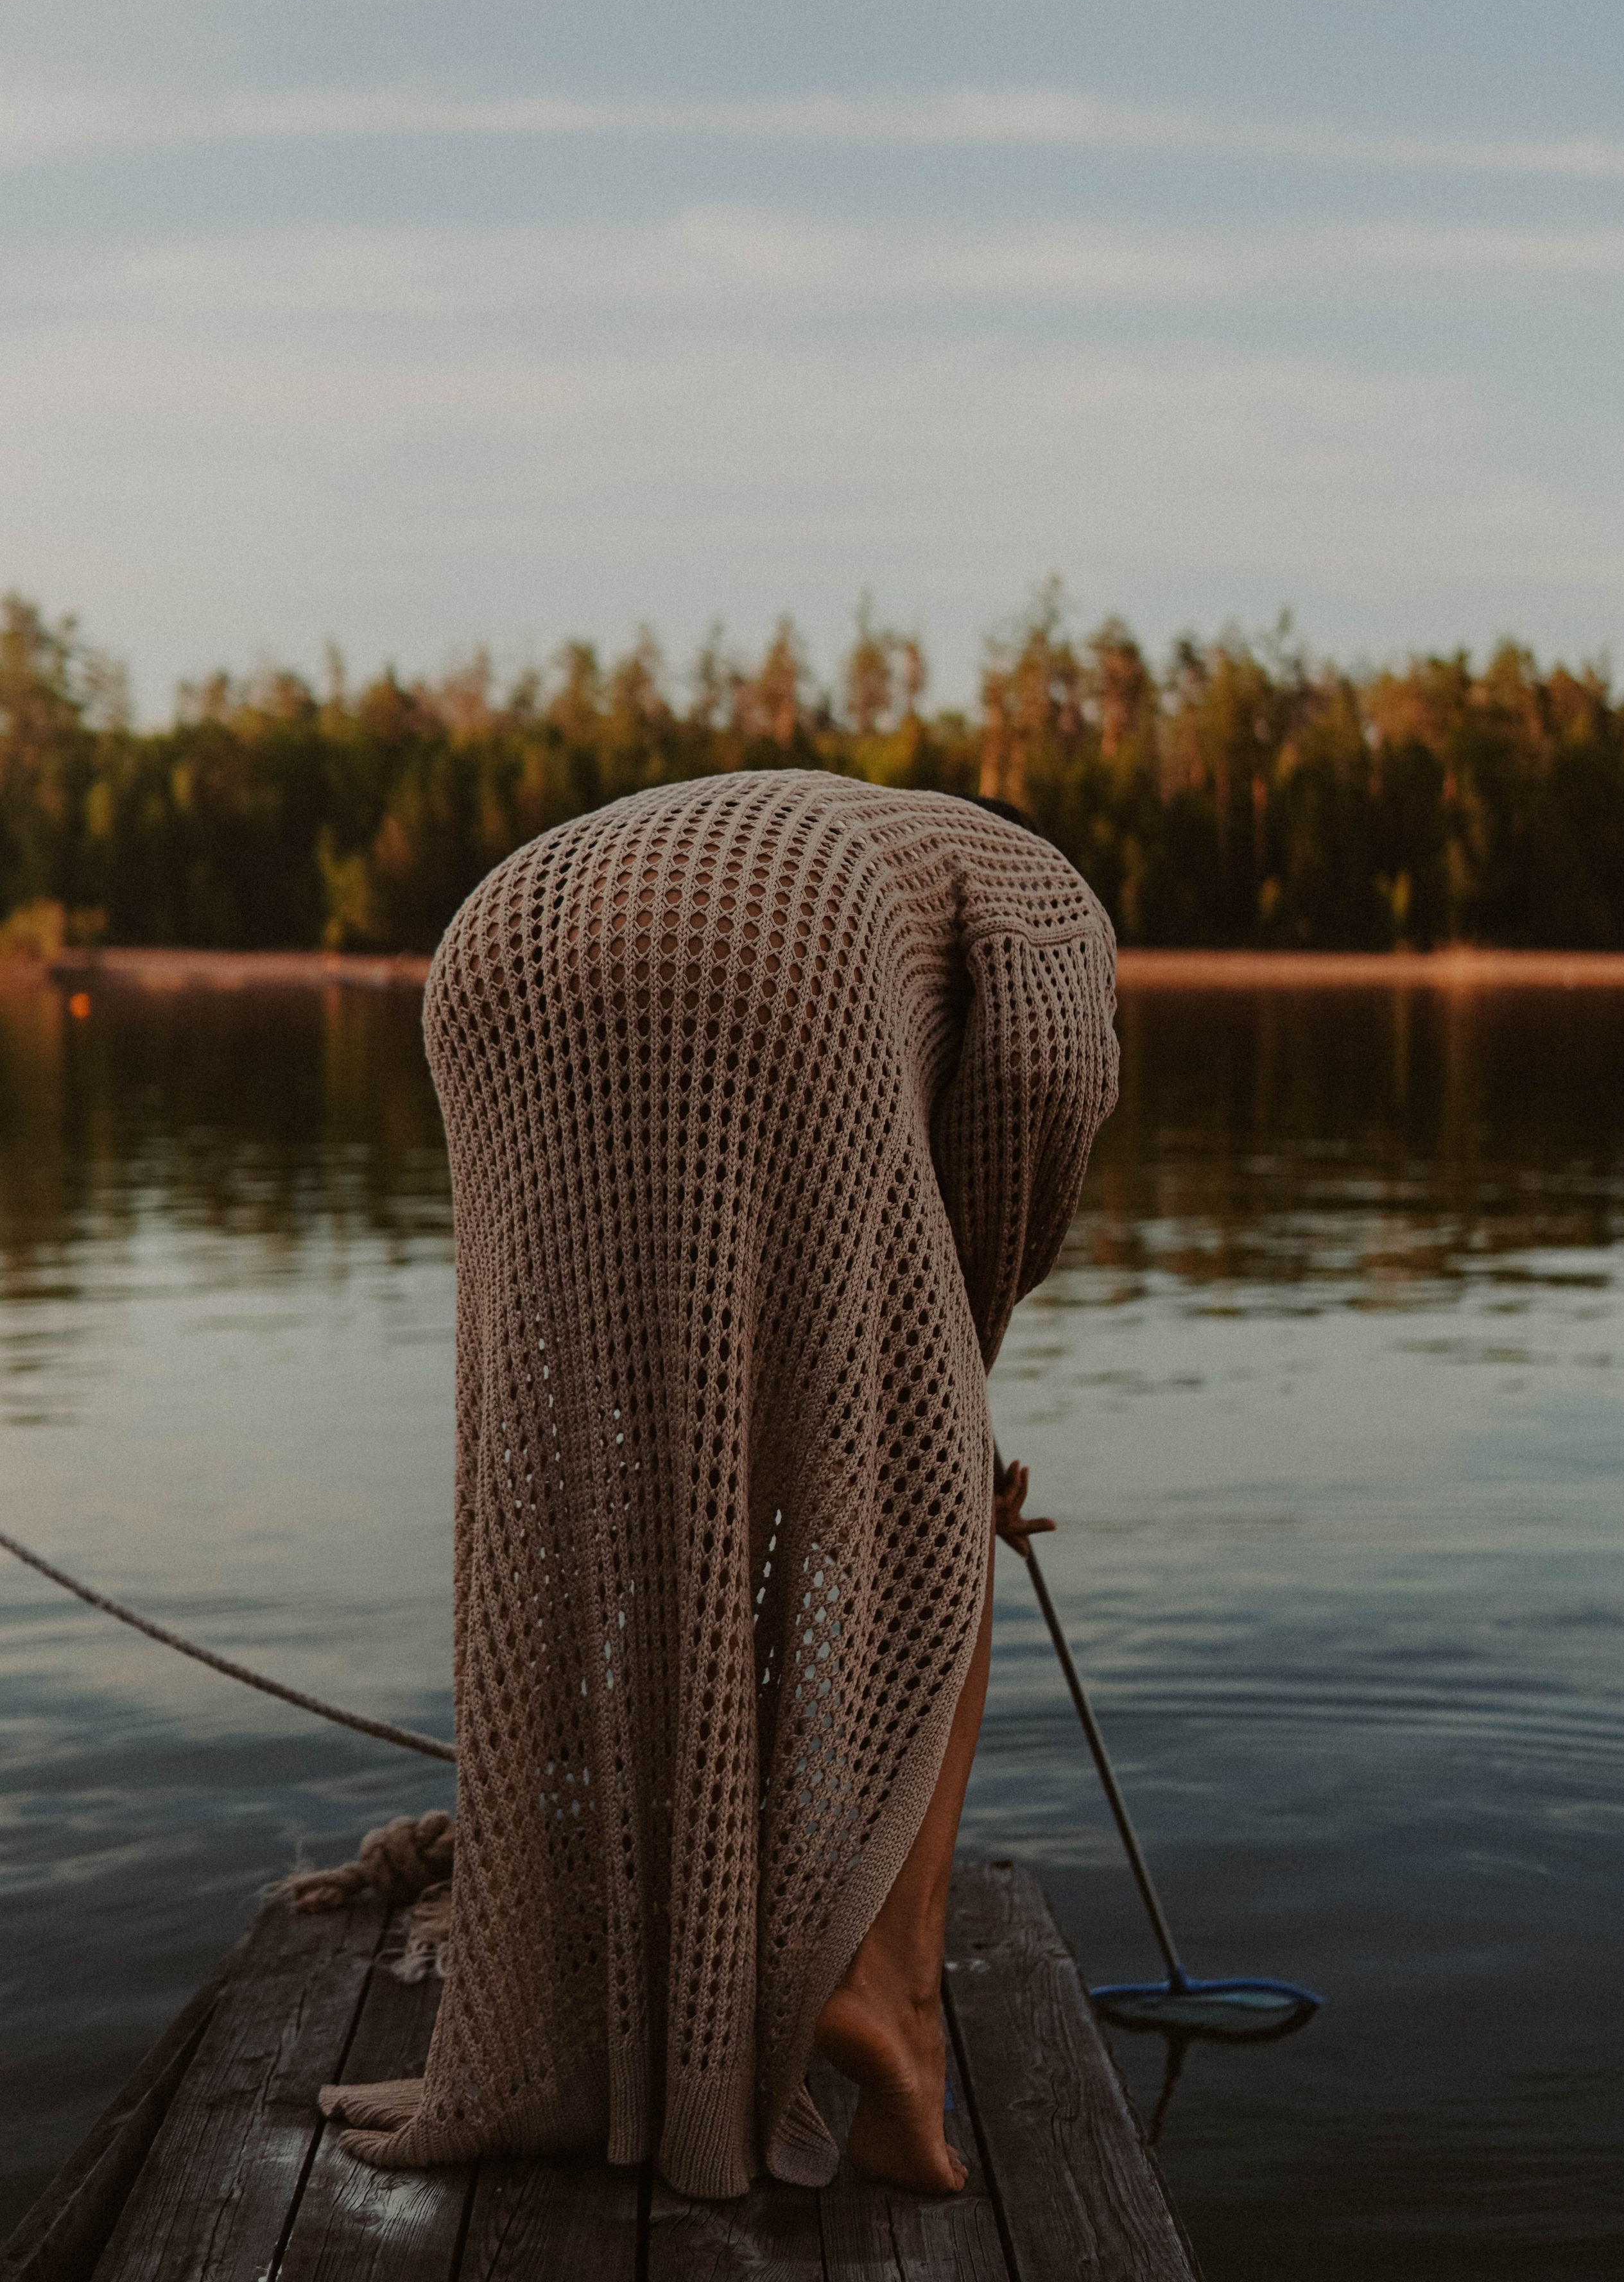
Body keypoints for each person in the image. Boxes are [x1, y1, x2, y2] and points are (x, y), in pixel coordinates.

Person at [316, 769, 1118, 2198]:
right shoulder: (1058, 910)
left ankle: (613, 1997)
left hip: (496, 940)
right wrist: (962, 1405)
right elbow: (1033, 1102)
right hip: (767, 942)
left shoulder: (913, 852)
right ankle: (888, 1992)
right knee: (934, 1520)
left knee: (592, 1490)